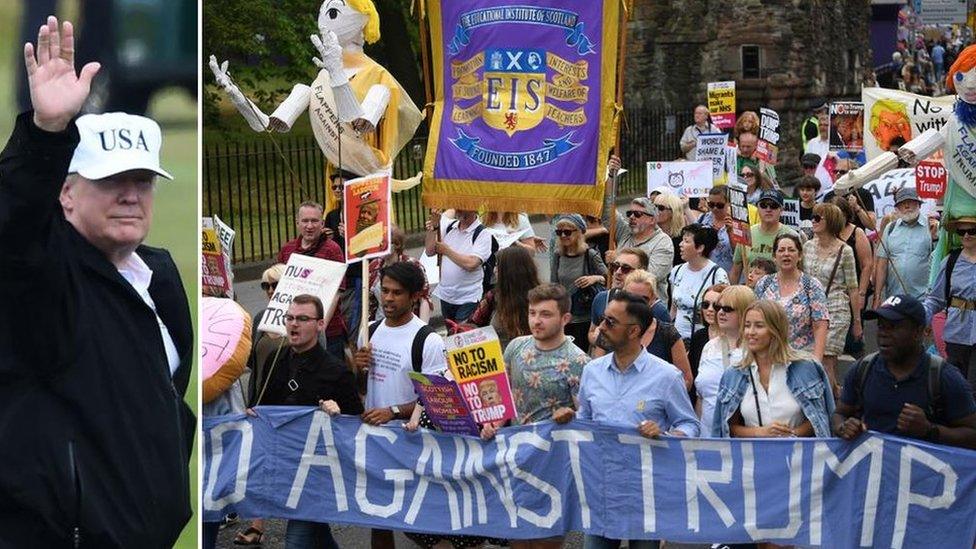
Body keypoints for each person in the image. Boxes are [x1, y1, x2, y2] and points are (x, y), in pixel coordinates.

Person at [0, 17, 193, 545]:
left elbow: (164, 401)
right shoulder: (42, 276)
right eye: (110, 182)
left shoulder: (159, 279)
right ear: (66, 195)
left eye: (142, 180)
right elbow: (14, 229)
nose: (130, 195)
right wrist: (44, 136)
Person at [554, 291, 699, 549]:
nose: (601, 327)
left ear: (633, 332)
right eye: (602, 319)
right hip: (601, 487)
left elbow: (690, 425)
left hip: (646, 491)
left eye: (610, 322)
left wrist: (666, 434)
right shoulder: (592, 371)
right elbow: (587, 422)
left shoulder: (666, 376)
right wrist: (572, 419)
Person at [481, 284, 588, 549]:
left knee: (546, 541)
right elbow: (500, 396)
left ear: (565, 318)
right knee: (518, 536)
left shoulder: (579, 361)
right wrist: (492, 423)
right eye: (532, 313)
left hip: (553, 464)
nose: (536, 321)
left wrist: (572, 415)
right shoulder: (516, 347)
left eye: (545, 314)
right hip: (515, 457)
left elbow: (587, 419)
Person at [256, 295, 363, 549]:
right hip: (286, 465)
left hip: (318, 472)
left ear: (320, 325)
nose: (294, 324)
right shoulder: (276, 362)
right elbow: (264, 408)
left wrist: (339, 412)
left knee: (296, 540)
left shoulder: (336, 371)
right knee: (319, 536)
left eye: (303, 319)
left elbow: (356, 422)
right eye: (290, 318)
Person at [356, 261, 446, 549]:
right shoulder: (369, 331)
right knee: (379, 517)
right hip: (375, 440)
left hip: (411, 441)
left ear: (414, 296)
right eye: (385, 291)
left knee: (420, 519)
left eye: (396, 293)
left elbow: (433, 398)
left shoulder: (427, 340)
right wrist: (358, 369)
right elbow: (360, 390)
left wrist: (393, 411)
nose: (389, 299)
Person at [834, 295, 976, 449]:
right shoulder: (863, 369)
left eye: (893, 327)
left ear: (918, 332)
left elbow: (972, 435)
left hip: (924, 471)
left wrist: (930, 430)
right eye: (881, 326)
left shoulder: (943, 377)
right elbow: (839, 414)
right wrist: (844, 427)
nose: (884, 333)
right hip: (872, 469)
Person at [712, 300, 836, 440]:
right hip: (751, 458)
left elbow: (821, 418)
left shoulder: (806, 367)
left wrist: (790, 435)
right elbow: (727, 427)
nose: (751, 332)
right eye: (747, 325)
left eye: (759, 326)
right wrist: (760, 432)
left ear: (776, 329)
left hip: (799, 455)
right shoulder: (733, 374)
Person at [278, 200, 348, 357]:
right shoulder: (287, 250)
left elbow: (337, 293)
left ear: (322, 223)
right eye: (305, 221)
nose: (309, 226)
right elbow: (278, 289)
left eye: (314, 221)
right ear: (297, 223)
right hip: (295, 332)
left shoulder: (332, 250)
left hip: (328, 333)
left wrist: (320, 328)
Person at [805, 203, 861, 393]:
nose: (813, 221)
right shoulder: (807, 247)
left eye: (818, 218)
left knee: (826, 360)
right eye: (813, 217)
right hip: (811, 310)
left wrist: (857, 322)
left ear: (831, 222)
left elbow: (853, 288)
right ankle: (837, 394)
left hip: (836, 310)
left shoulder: (845, 251)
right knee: (812, 359)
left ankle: (829, 410)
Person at [754, 233, 829, 361]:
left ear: (799, 255)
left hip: (801, 358)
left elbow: (820, 325)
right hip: (768, 356)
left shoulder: (811, 285)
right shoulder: (764, 283)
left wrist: (817, 361)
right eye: (781, 250)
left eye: (791, 250)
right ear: (774, 256)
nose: (786, 254)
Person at [613, 272, 694, 389]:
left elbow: (686, 380)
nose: (636, 304)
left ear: (653, 300)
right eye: (631, 297)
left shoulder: (667, 333)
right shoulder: (609, 328)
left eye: (643, 299)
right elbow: (599, 371)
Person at [696, 285, 756, 437]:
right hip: (707, 439)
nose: (721, 312)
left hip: (742, 441)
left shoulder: (756, 351)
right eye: (719, 307)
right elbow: (701, 398)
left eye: (728, 309)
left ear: (744, 312)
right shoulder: (709, 347)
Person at [923, 216, 976, 384]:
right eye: (961, 231)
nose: (966, 235)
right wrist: (920, 316)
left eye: (972, 231)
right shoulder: (950, 261)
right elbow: (936, 299)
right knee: (956, 386)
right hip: (956, 333)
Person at [460, 245, 541, 350]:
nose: (494, 270)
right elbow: (472, 324)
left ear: (510, 271)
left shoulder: (542, 299)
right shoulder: (493, 296)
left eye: (498, 266)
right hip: (499, 362)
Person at [588, 250, 671, 350]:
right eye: (615, 266)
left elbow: (668, 346)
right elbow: (592, 332)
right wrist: (599, 339)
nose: (618, 272)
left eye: (625, 269)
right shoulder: (602, 298)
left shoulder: (657, 309)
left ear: (641, 272)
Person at [425, 208, 494, 323]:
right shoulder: (450, 227)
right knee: (451, 334)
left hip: (468, 298)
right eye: (457, 208)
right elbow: (429, 251)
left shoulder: (482, 233)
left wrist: (447, 251)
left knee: (462, 334)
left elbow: (471, 263)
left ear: (473, 209)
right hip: (446, 296)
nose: (459, 211)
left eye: (463, 208)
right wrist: (433, 228)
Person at [551, 213, 608, 353]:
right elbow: (553, 284)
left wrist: (594, 278)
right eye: (559, 232)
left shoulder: (590, 255)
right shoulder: (558, 255)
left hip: (584, 315)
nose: (563, 235)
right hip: (564, 315)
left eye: (567, 232)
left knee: (579, 353)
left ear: (579, 232)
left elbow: (609, 278)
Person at [603, 196, 674, 301]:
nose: (631, 217)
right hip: (619, 302)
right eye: (629, 213)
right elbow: (607, 214)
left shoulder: (663, 243)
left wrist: (618, 259)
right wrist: (606, 183)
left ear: (652, 219)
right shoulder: (625, 231)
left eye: (637, 214)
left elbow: (650, 276)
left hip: (646, 307)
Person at [323, 169, 366, 340]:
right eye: (334, 188)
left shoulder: (362, 213)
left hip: (355, 278)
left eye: (342, 186)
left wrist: (351, 237)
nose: (338, 190)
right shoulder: (332, 216)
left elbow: (369, 248)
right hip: (336, 278)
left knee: (352, 327)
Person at [669, 224, 729, 341]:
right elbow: (674, 309)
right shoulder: (677, 271)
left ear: (700, 248)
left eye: (686, 241)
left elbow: (725, 311)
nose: (680, 245)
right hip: (677, 340)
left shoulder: (717, 275)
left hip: (704, 340)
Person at [875, 187, 933, 303]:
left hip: (923, 299)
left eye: (910, 202)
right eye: (902, 203)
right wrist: (877, 298)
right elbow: (882, 265)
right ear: (897, 208)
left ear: (918, 205)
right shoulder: (890, 228)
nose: (906, 206)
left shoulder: (931, 227)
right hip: (894, 299)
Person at [730, 189, 800, 284]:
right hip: (751, 294)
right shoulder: (746, 233)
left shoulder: (792, 236)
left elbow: (799, 270)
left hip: (781, 293)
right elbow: (736, 271)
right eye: (763, 205)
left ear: (781, 210)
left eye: (773, 206)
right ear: (757, 208)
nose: (768, 209)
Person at [368, 224, 431, 322]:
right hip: (381, 324)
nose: (381, 247)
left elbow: (424, 298)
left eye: (385, 243)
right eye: (378, 243)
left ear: (396, 244)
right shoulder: (374, 267)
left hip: (408, 324)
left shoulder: (413, 265)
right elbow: (369, 303)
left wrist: (423, 329)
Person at [687, 283, 728, 398]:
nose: (709, 310)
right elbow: (693, 373)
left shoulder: (733, 338)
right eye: (705, 305)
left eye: (715, 306)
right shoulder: (699, 336)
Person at [695, 186, 734, 273]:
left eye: (720, 205)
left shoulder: (736, 223)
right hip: (704, 274)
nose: (715, 208)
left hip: (727, 276)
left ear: (729, 203)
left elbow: (738, 254)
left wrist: (730, 232)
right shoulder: (702, 219)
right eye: (711, 205)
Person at [481, 210, 546, 252]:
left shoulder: (520, 219)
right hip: (489, 268)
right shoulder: (482, 220)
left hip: (513, 267)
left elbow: (532, 251)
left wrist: (517, 244)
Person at [653, 191, 687, 266]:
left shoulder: (682, 239)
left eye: (661, 208)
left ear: (673, 212)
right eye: (654, 206)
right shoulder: (648, 233)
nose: (655, 210)